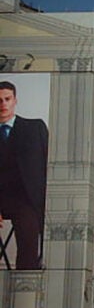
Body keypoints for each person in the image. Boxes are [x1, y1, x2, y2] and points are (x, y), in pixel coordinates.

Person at [0, 80, 48, 269]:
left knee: (29, 240)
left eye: (7, 99)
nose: (3, 104)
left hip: (27, 201)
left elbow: (47, 165)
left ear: (15, 100)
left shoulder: (34, 128)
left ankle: (23, 292)